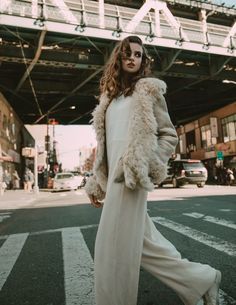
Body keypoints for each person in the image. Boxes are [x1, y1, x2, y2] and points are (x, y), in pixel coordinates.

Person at [85, 35, 221, 305]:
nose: (133, 58)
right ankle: (203, 279)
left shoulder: (148, 92)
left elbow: (169, 135)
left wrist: (146, 164)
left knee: (109, 250)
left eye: (138, 54)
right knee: (146, 246)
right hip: (112, 181)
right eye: (128, 53)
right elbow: (105, 149)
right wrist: (96, 182)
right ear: (118, 58)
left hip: (131, 178)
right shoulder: (109, 100)